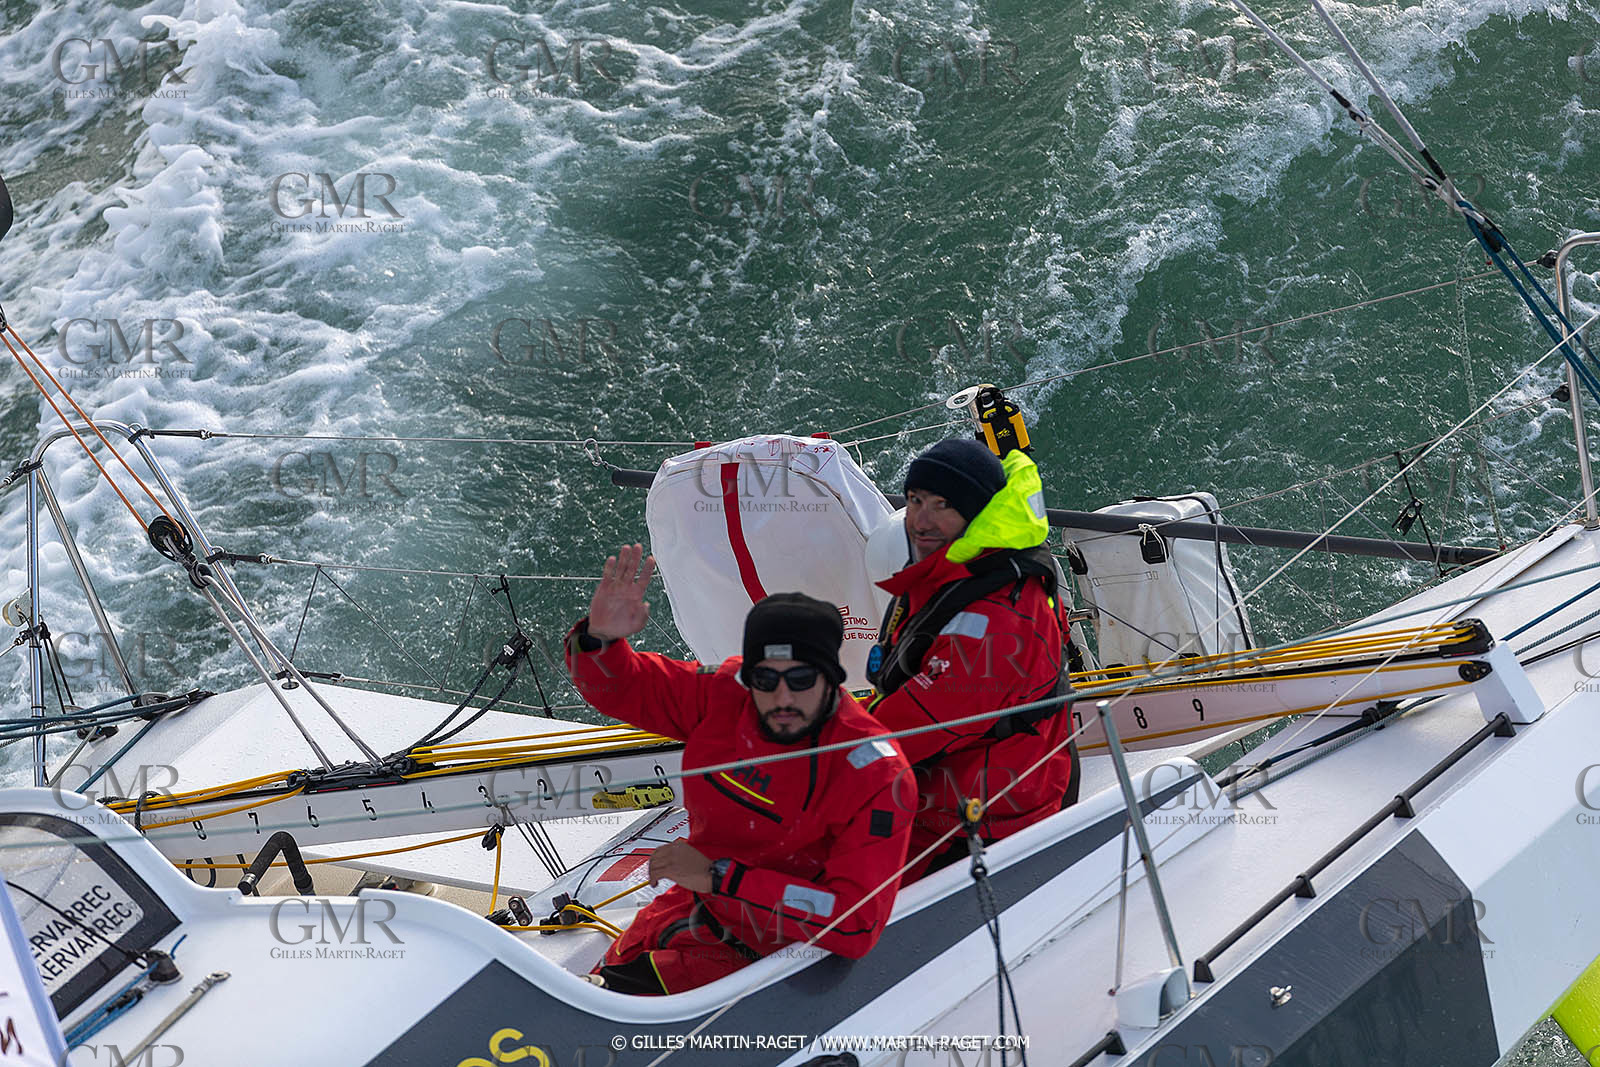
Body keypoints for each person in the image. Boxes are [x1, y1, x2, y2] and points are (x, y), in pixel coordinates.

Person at [565, 545, 915, 995]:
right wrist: (599, 640)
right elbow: (627, 687)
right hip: (685, 912)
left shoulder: (874, 773)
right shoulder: (723, 693)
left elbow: (854, 920)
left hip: (767, 956)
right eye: (766, 680)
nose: (783, 698)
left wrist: (721, 876)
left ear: (833, 678)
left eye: (802, 680)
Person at [866, 438, 1078, 880]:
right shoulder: (968, 571)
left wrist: (797, 750)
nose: (920, 520)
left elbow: (906, 731)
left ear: (977, 512)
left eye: (942, 504)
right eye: (914, 499)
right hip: (963, 789)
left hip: (983, 821)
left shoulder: (994, 622)